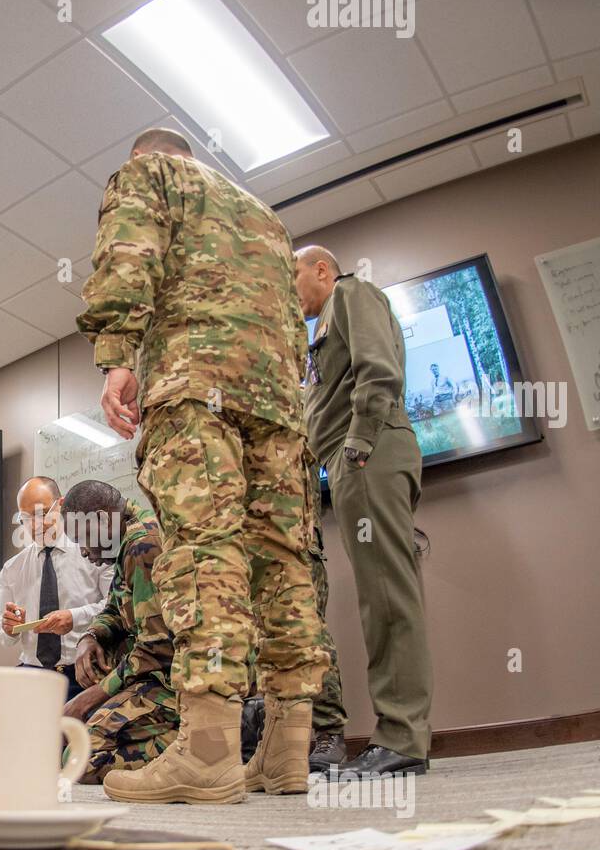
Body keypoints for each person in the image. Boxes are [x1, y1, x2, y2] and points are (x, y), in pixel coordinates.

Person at [77, 127, 328, 804]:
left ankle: (210, 749)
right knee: (283, 559)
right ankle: (286, 751)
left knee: (204, 549)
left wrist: (117, 358)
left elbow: (128, 257)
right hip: (278, 401)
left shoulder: (150, 176)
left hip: (196, 384)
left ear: (150, 157)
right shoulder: (268, 219)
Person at [294, 246, 432, 776]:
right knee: (380, 596)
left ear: (322, 270)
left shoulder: (352, 293)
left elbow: (378, 368)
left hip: (367, 455)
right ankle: (399, 736)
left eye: (295, 275)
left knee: (387, 596)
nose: (291, 288)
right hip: (351, 463)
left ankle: (402, 739)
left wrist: (357, 447)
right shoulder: (323, 324)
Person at [61, 480, 178, 788]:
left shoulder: (143, 544)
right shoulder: (127, 541)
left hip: (173, 681)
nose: (84, 552)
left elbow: (157, 650)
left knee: (82, 760)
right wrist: (91, 637)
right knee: (70, 750)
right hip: (148, 677)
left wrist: (91, 696)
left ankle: (214, 737)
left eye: (84, 539)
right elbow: (114, 609)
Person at [0, 476, 110, 701]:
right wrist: (7, 627)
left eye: (42, 513)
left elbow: (115, 604)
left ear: (61, 505)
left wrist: (74, 618)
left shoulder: (94, 551)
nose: (35, 525)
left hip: (86, 673)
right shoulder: (13, 569)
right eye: (26, 518)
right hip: (32, 675)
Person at [304, 450, 349, 771]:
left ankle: (329, 732)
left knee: (310, 639)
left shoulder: (298, 412)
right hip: (249, 547)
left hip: (296, 543)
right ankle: (271, 740)